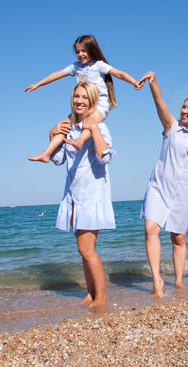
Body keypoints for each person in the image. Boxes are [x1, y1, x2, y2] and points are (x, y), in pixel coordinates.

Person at [138, 71, 188, 296]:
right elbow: (159, 101)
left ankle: (179, 281)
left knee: (178, 238)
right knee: (150, 229)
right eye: (183, 106)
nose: (183, 110)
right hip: (159, 187)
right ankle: (157, 281)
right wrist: (153, 83)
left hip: (182, 192)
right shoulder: (171, 127)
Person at [50, 81, 115, 307]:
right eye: (77, 96)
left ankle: (102, 297)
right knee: (84, 251)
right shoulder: (69, 125)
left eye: (85, 97)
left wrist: (94, 128)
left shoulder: (99, 126)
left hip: (92, 195)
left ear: (93, 101)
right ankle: (90, 293)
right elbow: (58, 159)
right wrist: (52, 135)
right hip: (73, 196)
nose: (79, 100)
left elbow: (104, 157)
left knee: (86, 249)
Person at [26, 34, 141, 162]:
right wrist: (38, 84)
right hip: (83, 103)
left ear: (92, 49)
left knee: (90, 122)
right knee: (65, 125)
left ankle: (80, 140)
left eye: (83, 51)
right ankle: (47, 153)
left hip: (100, 103)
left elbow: (119, 73)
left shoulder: (99, 65)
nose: (80, 54)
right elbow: (57, 74)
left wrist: (134, 82)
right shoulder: (76, 67)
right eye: (77, 52)